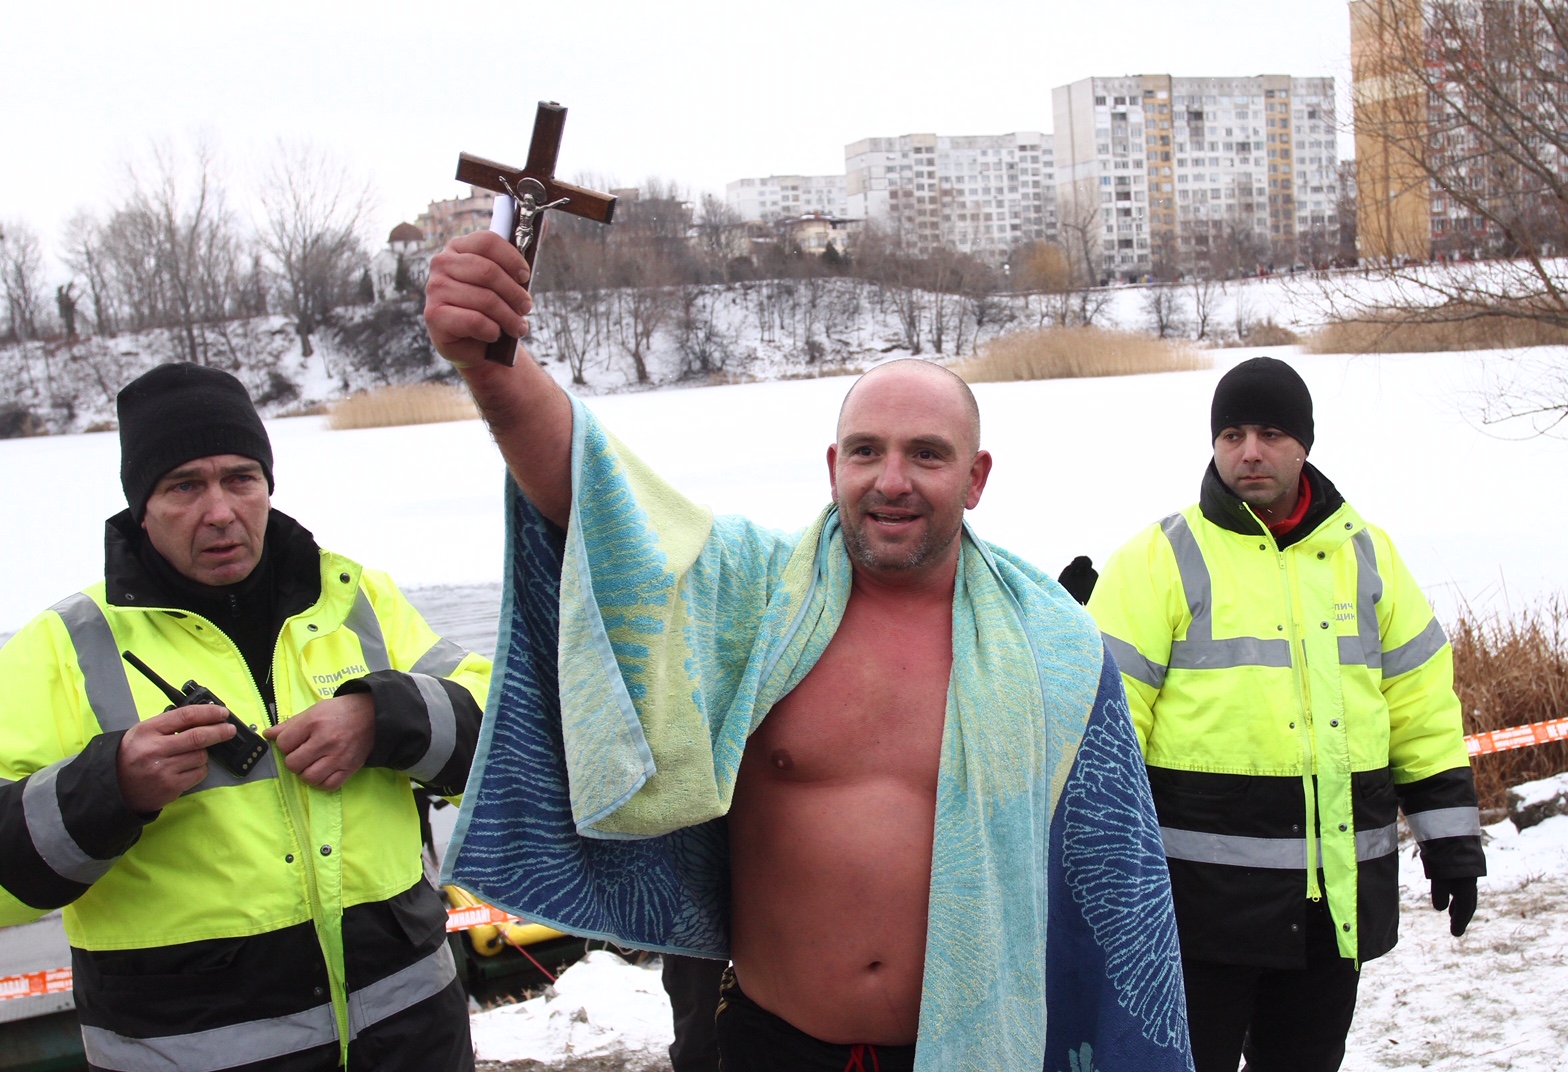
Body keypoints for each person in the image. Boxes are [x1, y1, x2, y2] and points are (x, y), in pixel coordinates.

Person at [420, 230, 1194, 1072]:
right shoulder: (755, 598)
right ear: (834, 466)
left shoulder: (1052, 646)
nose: (891, 480)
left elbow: (1116, 885)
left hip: (970, 1050)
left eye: (926, 455)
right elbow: (604, 506)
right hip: (771, 1044)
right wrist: (494, 370)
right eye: (866, 451)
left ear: (975, 478)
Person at [0, 363, 490, 1072]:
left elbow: (507, 734)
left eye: (240, 478)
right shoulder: (64, 646)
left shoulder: (355, 601)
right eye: (184, 486)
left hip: (413, 1038)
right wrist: (111, 787)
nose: (221, 511)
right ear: (142, 506)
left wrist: (386, 716)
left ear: (267, 486)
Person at [1087, 357, 1486, 1072]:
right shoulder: (1158, 558)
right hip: (1195, 918)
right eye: (1232, 435)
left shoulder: (1368, 556)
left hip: (1331, 913)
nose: (1249, 452)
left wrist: (1451, 843)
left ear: (1304, 444)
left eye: (1270, 434)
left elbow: (1421, 708)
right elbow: (1104, 735)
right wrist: (1104, 882)